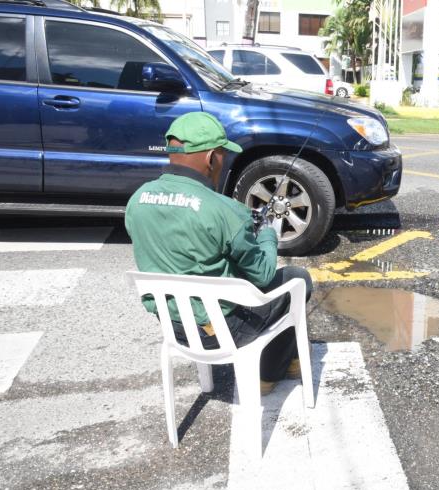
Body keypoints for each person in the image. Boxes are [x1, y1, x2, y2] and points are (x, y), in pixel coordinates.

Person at [124, 111, 313, 395]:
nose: (223, 161)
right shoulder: (224, 210)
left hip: (176, 327)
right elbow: (261, 274)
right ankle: (268, 374)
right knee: (297, 278)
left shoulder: (138, 199)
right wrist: (267, 235)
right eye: (223, 155)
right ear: (211, 157)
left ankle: (285, 361)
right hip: (222, 331)